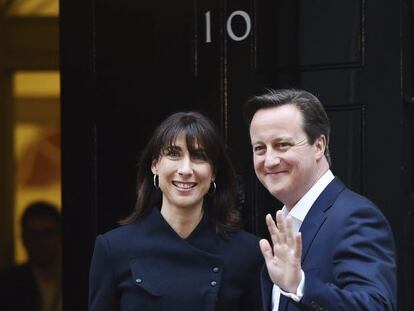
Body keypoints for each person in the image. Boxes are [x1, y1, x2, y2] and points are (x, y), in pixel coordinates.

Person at [89, 111, 263, 311]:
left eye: (199, 156)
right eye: (174, 154)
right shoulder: (114, 249)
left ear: (213, 172)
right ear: (155, 165)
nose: (186, 170)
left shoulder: (248, 252)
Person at [244, 89, 396, 311]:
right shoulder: (288, 220)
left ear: (319, 146)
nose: (270, 160)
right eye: (260, 148)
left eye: (282, 144)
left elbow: (376, 306)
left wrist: (301, 286)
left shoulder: (355, 217)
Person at [0, 201, 62, 311]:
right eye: (34, 235)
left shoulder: (77, 278)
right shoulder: (8, 284)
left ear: (60, 236)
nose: (41, 242)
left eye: (47, 233)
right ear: (24, 239)